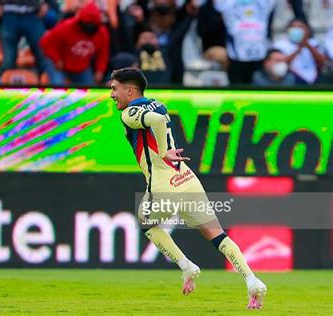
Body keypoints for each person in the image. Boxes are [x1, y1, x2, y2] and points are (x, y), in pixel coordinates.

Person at [110, 67, 267, 309]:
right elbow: (159, 116)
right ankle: (251, 279)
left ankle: (186, 265)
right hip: (187, 180)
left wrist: (163, 152)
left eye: (114, 89)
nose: (112, 94)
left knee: (146, 223)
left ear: (130, 90)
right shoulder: (158, 103)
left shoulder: (129, 113)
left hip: (163, 185)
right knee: (215, 232)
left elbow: (156, 121)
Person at [39, 2, 109, 84]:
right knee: (58, 85)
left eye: (93, 24)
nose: (90, 27)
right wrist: (56, 59)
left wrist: (100, 70)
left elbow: (103, 53)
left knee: (89, 88)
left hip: (81, 66)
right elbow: (45, 42)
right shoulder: (66, 27)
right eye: (88, 24)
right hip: (60, 63)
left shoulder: (102, 33)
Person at [214, 0, 276, 84]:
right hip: (236, 56)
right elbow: (218, 5)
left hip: (260, 55)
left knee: (259, 92)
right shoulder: (228, 2)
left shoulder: (263, 2)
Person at [273, 19, 328, 85]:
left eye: (300, 27)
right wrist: (299, 48)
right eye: (293, 27)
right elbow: (281, 64)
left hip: (313, 79)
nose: (297, 29)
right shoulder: (280, 45)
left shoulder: (313, 43)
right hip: (291, 79)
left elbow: (323, 62)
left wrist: (307, 44)